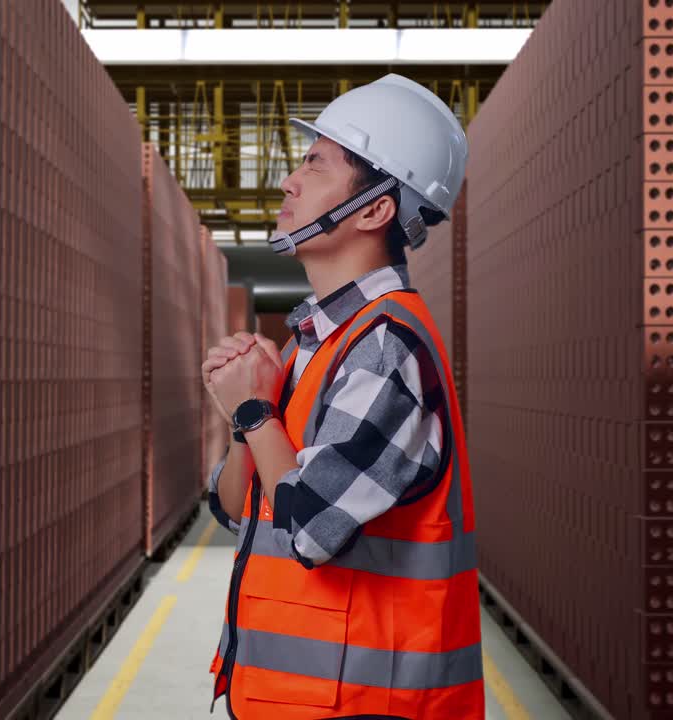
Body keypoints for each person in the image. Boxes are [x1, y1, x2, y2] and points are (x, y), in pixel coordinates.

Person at [201, 73, 482, 720]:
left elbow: (310, 528)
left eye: (316, 164)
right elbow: (237, 510)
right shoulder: (315, 344)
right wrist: (246, 413)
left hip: (365, 703)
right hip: (295, 701)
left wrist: (254, 410)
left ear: (375, 209)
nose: (289, 182)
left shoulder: (387, 348)